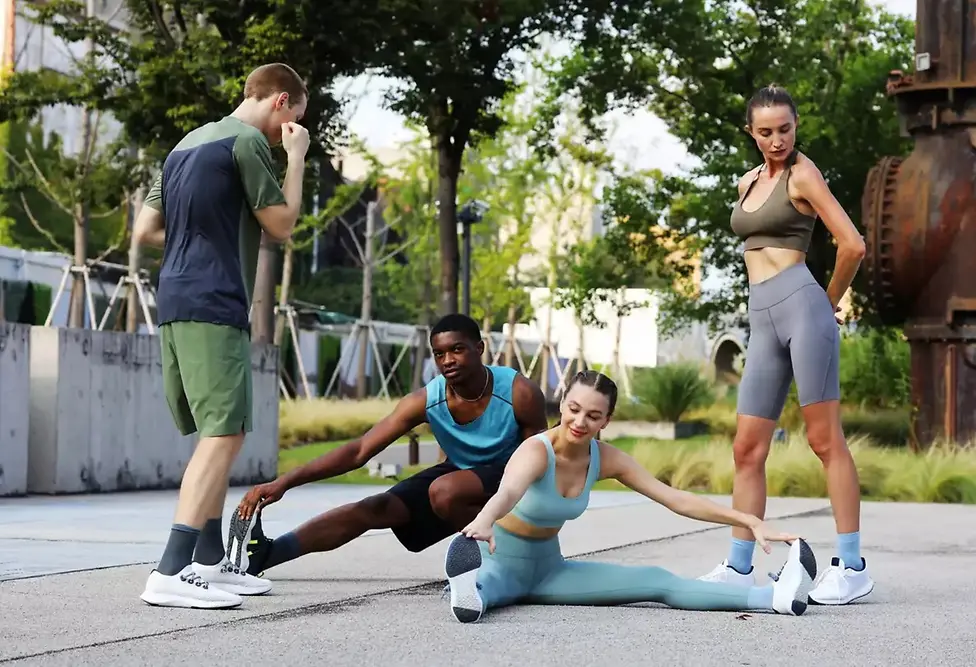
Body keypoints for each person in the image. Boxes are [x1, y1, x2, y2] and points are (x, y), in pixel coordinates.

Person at [131, 63, 311, 609]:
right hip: (216, 300)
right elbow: (281, 224)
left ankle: (209, 562)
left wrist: (202, 233)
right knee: (225, 434)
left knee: (214, 428)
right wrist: (296, 158)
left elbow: (146, 230)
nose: (289, 129)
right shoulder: (248, 142)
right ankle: (170, 568)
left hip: (177, 297)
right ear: (281, 102)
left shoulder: (185, 145)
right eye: (294, 118)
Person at [444, 370, 817, 624]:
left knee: (657, 581)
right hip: (501, 563)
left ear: (606, 420)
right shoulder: (536, 451)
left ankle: (775, 599)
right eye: (573, 410)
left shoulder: (606, 458)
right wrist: (483, 521)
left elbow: (674, 498)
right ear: (561, 404)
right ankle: (469, 591)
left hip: (550, 571)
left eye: (593, 415)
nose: (579, 422)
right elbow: (508, 490)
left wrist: (748, 521)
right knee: (486, 590)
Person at [697, 84, 874, 605]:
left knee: (825, 441)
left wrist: (829, 300)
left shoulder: (803, 173)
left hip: (802, 304)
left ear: (796, 126)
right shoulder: (748, 181)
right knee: (747, 449)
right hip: (762, 317)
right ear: (751, 133)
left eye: (786, 129)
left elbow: (853, 244)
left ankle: (852, 566)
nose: (777, 140)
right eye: (766, 131)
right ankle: (738, 564)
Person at [229, 313, 549, 578]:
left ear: (479, 348)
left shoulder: (519, 392)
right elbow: (359, 451)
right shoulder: (427, 400)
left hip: (511, 479)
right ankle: (266, 556)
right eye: (439, 353)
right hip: (461, 475)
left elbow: (542, 460)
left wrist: (534, 520)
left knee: (445, 491)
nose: (448, 360)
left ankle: (506, 556)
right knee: (376, 507)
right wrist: (284, 482)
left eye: (458, 349)